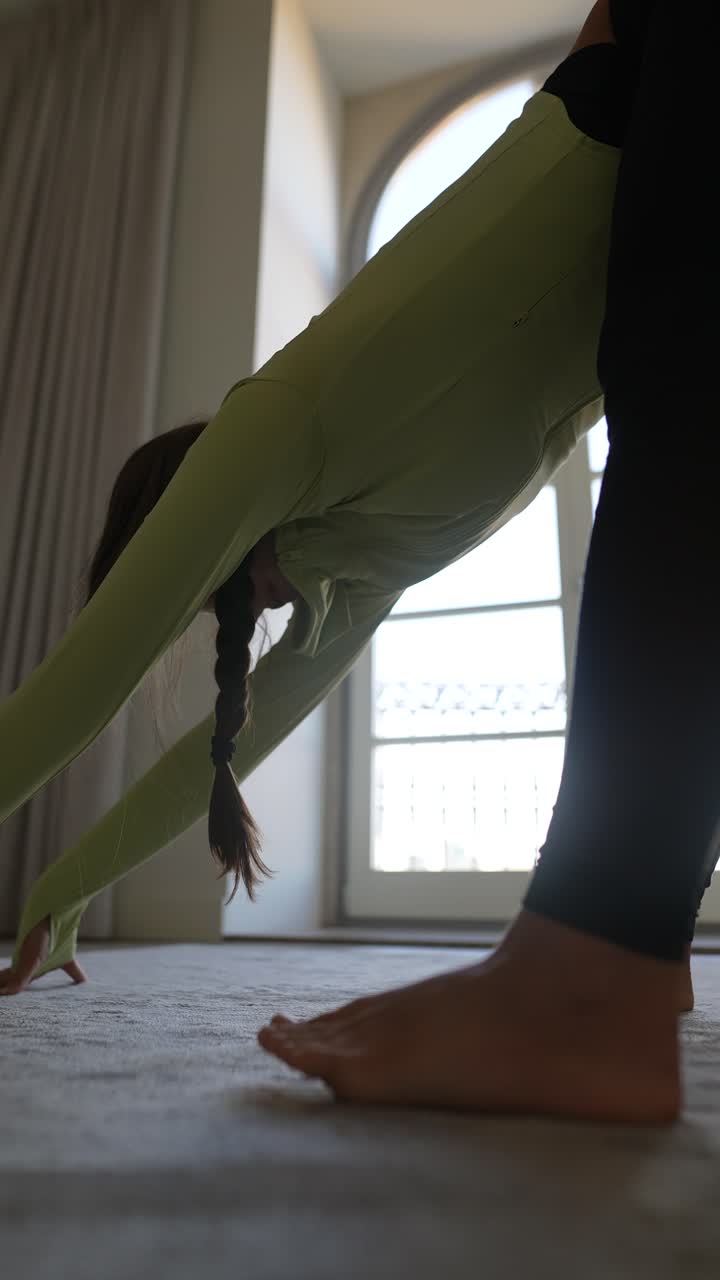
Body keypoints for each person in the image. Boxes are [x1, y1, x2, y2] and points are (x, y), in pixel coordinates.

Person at [1, 4, 707, 1118]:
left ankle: (607, 957)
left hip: (604, 124)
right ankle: (621, 949)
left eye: (211, 593)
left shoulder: (275, 426)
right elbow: (217, 760)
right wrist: (63, 888)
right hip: (642, 274)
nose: (241, 610)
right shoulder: (351, 574)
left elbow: (70, 692)